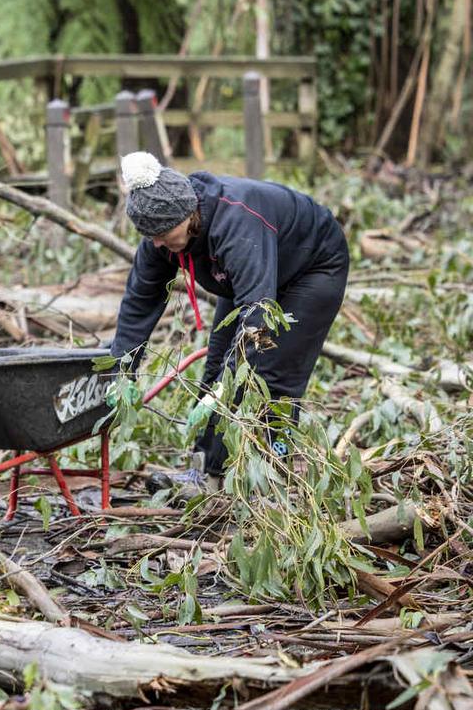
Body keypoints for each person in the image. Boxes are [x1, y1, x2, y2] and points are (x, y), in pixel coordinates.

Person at [110, 151, 349, 493]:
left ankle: (270, 472)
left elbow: (257, 315)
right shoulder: (159, 238)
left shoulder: (236, 224)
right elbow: (140, 299)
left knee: (269, 374)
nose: (157, 242)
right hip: (252, 275)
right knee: (217, 368)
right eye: (149, 235)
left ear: (187, 215)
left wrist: (226, 389)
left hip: (313, 267)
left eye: (162, 233)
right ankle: (205, 473)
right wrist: (123, 367)